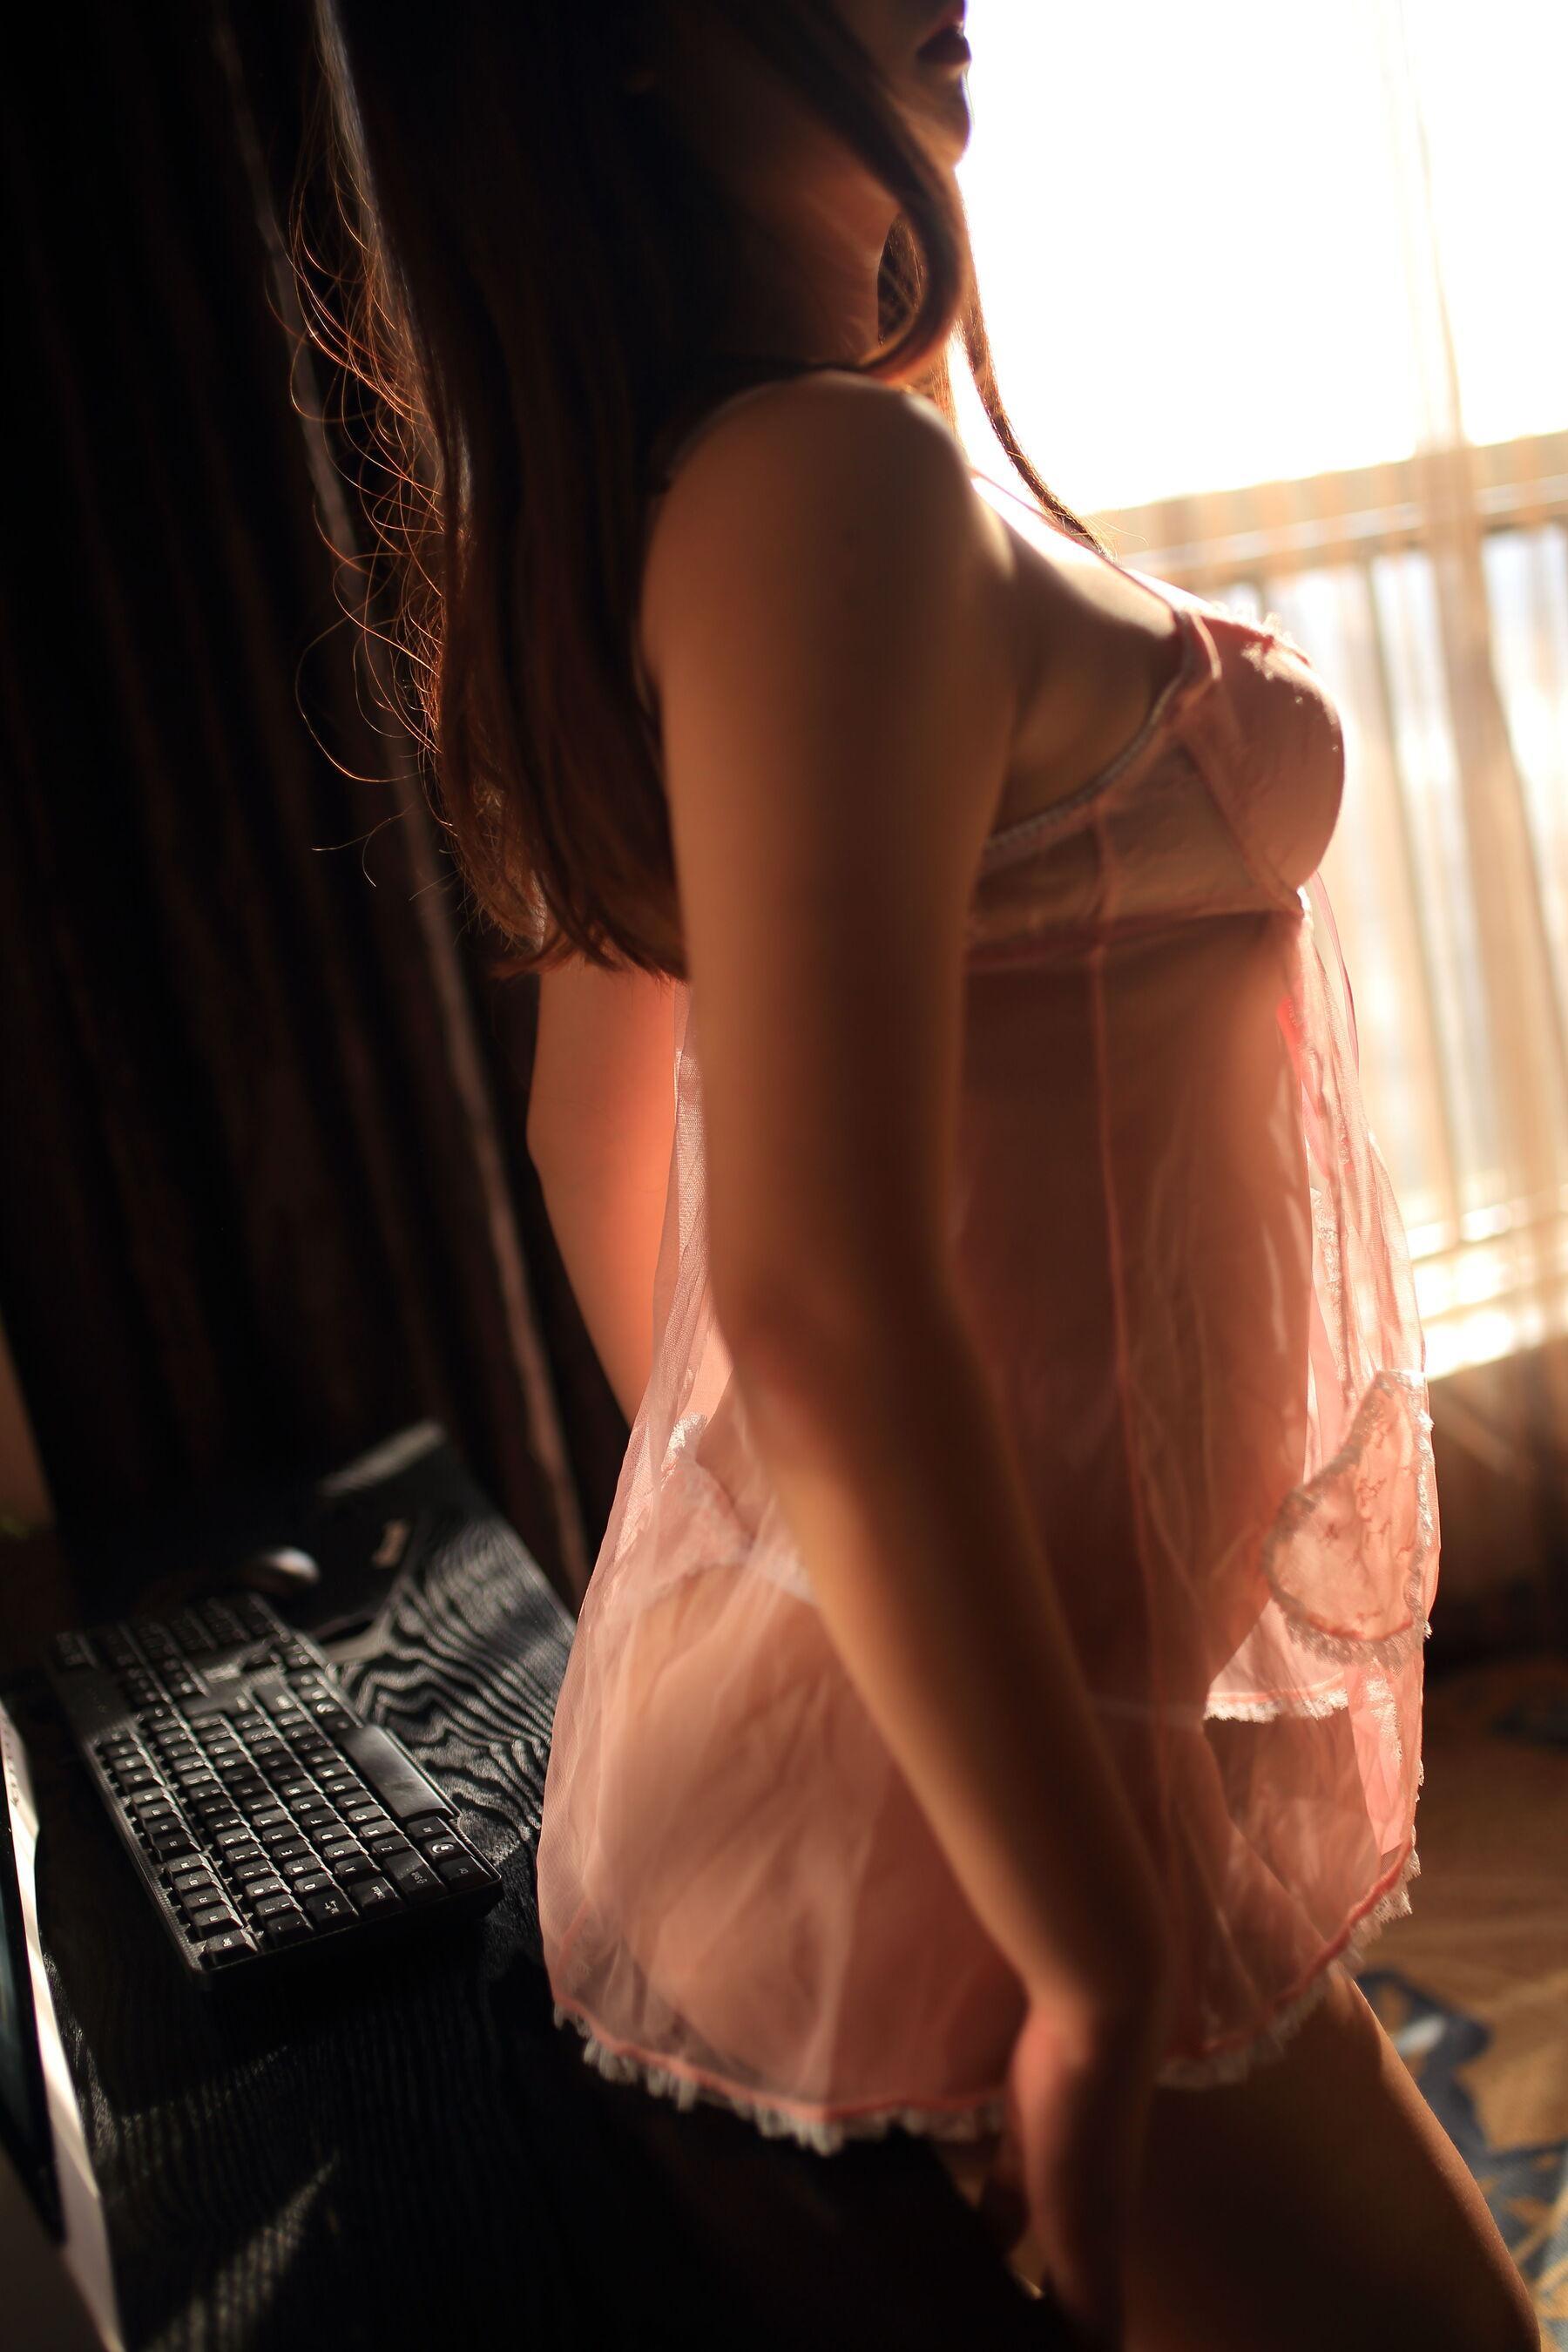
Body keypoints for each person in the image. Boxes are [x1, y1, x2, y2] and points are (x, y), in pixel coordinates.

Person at [308, 4, 1538, 2345]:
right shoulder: (821, 492)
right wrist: (1073, 1924)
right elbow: (810, 1296)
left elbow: (601, 1142)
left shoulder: (745, 493)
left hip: (973, 1723)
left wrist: (805, 1598)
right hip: (1009, 1770)